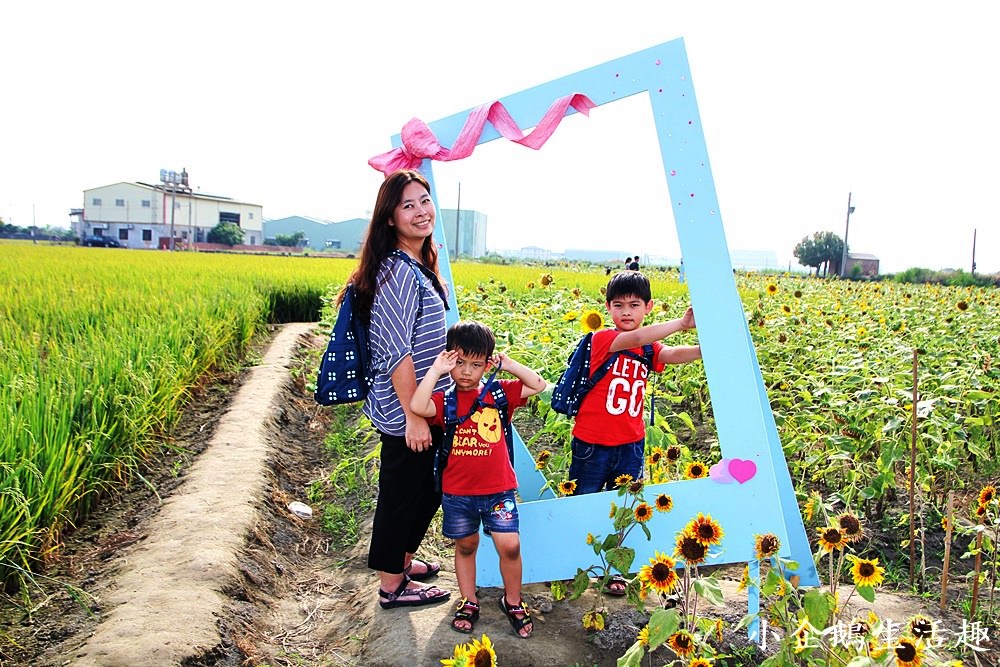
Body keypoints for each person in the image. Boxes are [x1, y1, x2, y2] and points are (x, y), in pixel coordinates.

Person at [343, 168, 452, 610]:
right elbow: (394, 349)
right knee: (403, 494)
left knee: (426, 490)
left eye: (424, 201)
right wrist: (413, 413)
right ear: (389, 217)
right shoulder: (398, 271)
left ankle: (403, 563)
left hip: (425, 402)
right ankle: (392, 585)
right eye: (407, 205)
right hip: (410, 407)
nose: (420, 211)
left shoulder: (416, 263)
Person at [567, 270, 701, 593]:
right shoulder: (602, 340)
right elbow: (638, 338)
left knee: (623, 510)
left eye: (634, 305)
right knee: (580, 504)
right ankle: (571, 563)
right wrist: (681, 324)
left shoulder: (649, 350)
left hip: (630, 445)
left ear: (648, 307)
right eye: (618, 305)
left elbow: (668, 354)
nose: (626, 312)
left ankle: (614, 570)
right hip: (592, 444)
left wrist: (704, 349)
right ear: (608, 308)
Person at [410, 321, 546, 638]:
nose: (467, 372)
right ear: (449, 361)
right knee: (467, 544)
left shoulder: (498, 393)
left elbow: (538, 384)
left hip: (498, 490)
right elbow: (417, 406)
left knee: (509, 546)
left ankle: (513, 601)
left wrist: (509, 365)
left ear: (487, 363)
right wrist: (435, 370)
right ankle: (469, 602)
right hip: (459, 493)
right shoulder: (446, 400)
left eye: (476, 364)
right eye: (459, 363)